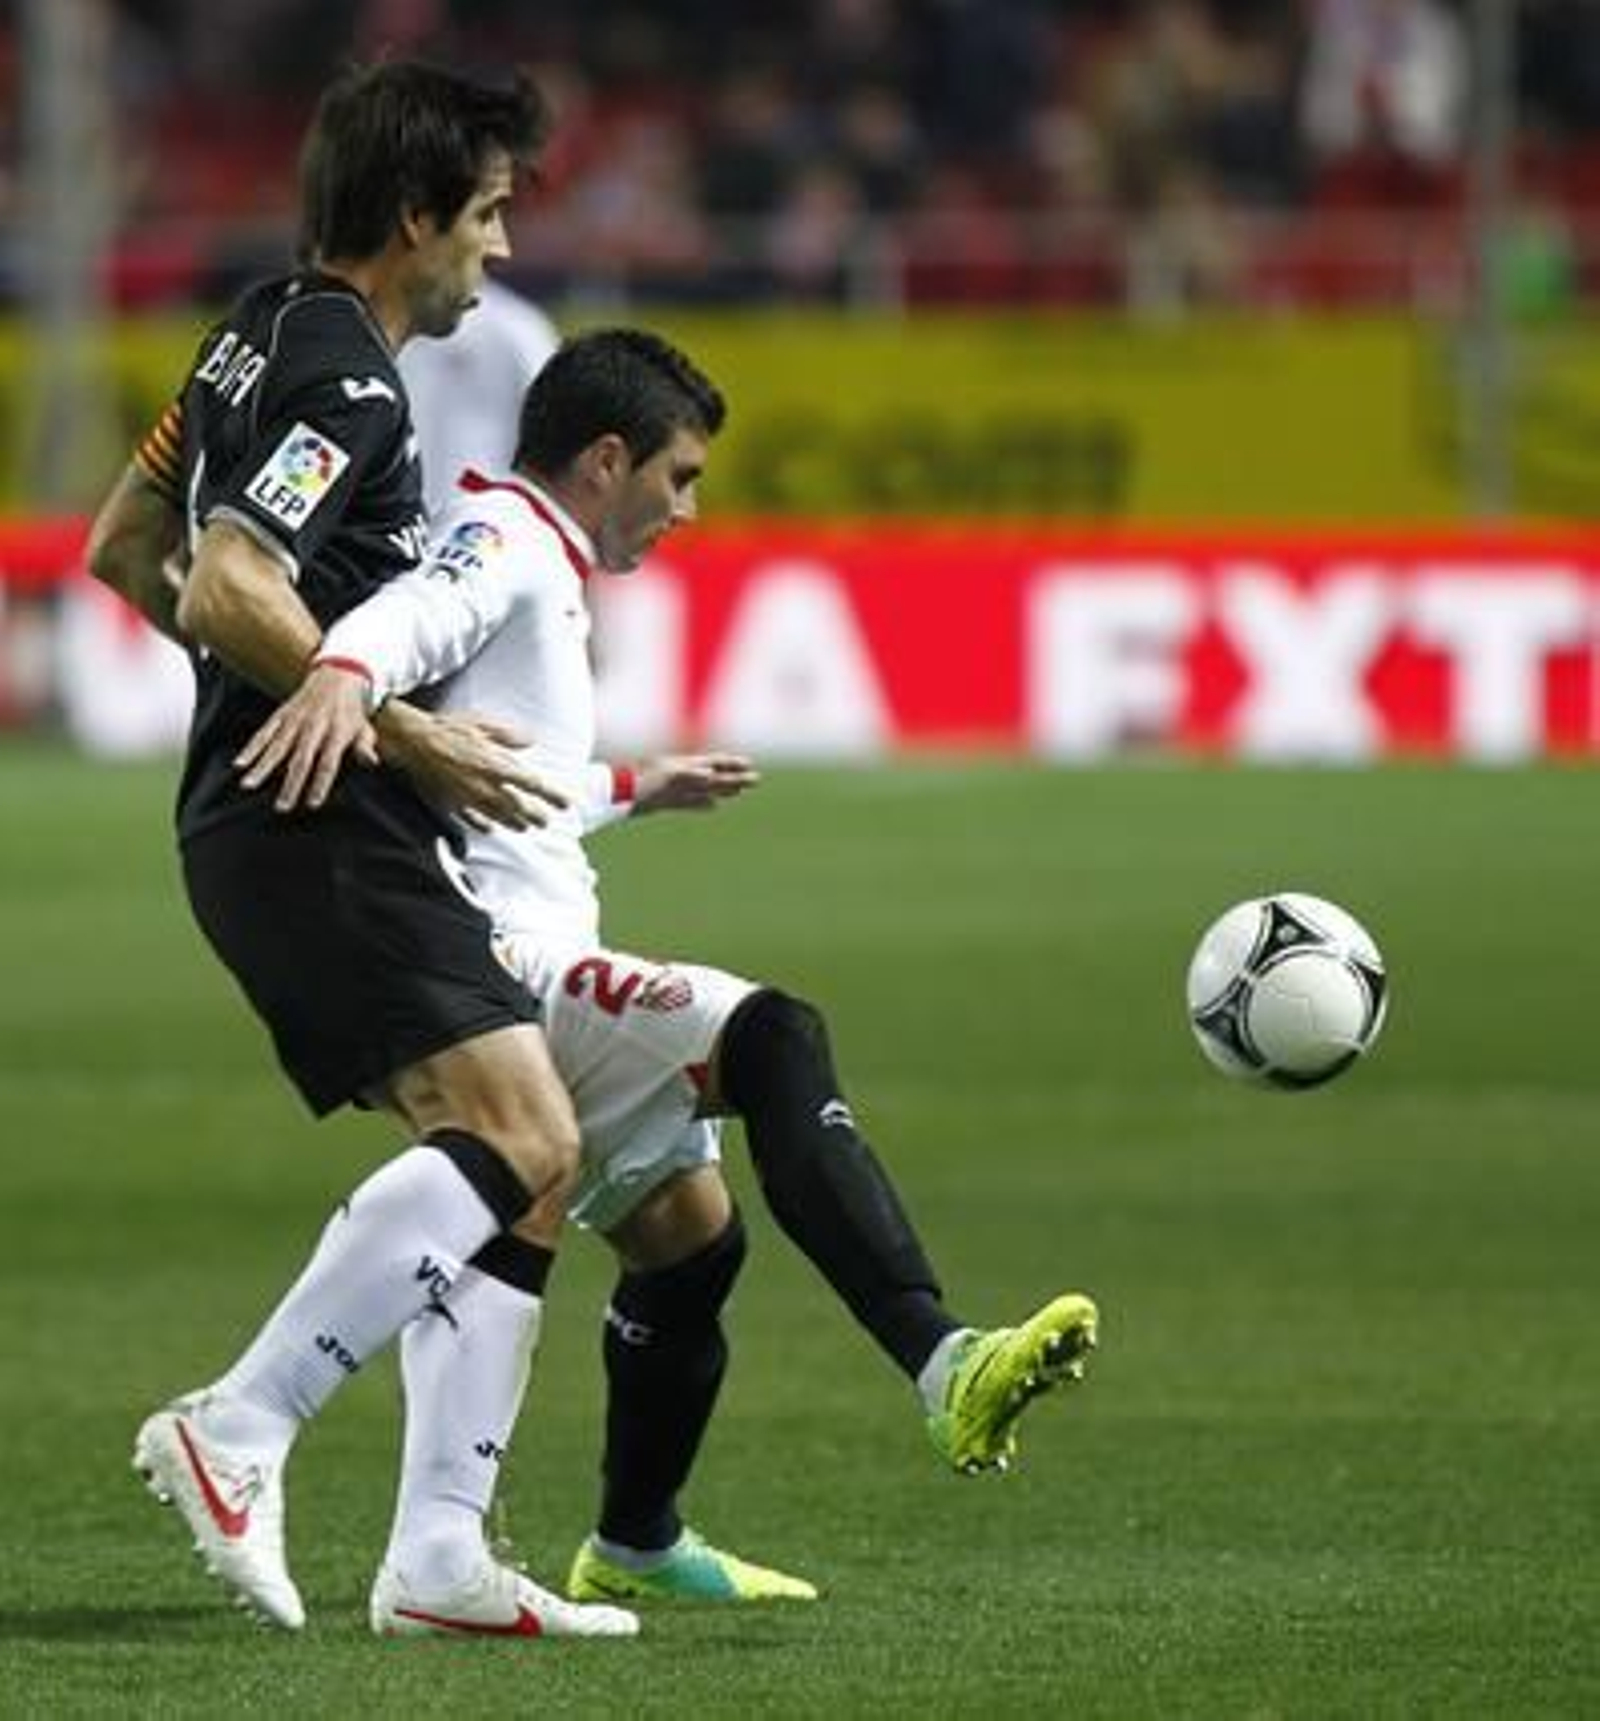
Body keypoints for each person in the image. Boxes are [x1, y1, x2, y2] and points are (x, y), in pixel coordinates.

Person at [237, 327, 1103, 1606]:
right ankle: (942, 1359)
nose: (687, 508)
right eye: (679, 475)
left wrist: (638, 785)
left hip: (532, 946)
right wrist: (347, 672)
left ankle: (629, 1538)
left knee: (688, 1244)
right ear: (605, 458)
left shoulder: (539, 551)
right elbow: (415, 613)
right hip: (508, 965)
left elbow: (492, 780)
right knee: (770, 1033)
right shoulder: (510, 539)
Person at [85, 61, 639, 1643]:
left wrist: (242, 672)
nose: (505, 250)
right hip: (311, 820)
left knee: (517, 1169)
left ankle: (441, 1559)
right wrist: (401, 730)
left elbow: (127, 544)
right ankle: (239, 1424)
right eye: (489, 215)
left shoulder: (246, 330)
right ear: (414, 220)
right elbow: (222, 584)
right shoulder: (350, 385)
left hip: (267, 812)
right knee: (529, 1135)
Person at [398, 275, 560, 519]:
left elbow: (552, 448)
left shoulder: (519, 328)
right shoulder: (388, 322)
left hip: (483, 532)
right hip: (397, 524)